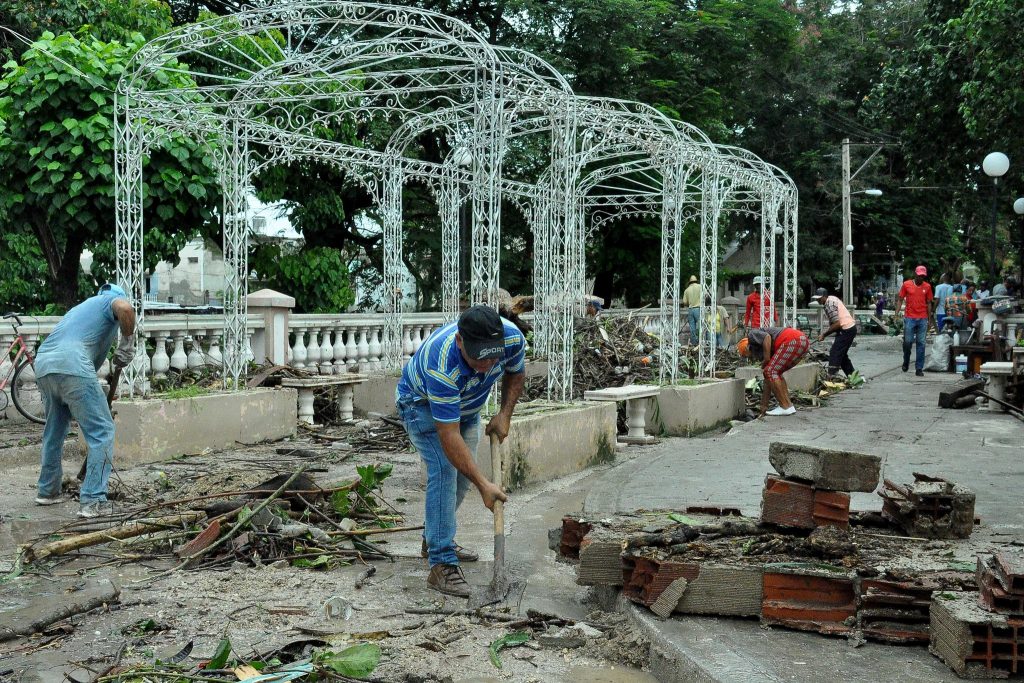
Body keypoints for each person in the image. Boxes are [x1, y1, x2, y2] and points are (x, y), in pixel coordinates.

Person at [396, 304, 525, 597]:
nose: (485, 365)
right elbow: (448, 435)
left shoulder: (512, 339)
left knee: (462, 478)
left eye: (492, 357)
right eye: (478, 357)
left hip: (467, 409)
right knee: (444, 471)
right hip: (421, 406)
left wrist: (505, 414)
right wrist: (485, 486)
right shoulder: (442, 363)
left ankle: (435, 535)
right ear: (460, 341)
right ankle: (441, 564)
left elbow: (516, 374)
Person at [33, 284, 136, 518]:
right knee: (102, 430)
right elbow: (126, 309)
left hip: (45, 365)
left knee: (55, 430)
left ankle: (47, 491)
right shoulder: (109, 301)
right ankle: (93, 500)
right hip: (72, 366)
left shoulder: (81, 310)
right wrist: (127, 343)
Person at [737, 326, 810, 417]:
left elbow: (766, 337)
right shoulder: (769, 348)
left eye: (749, 356)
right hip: (802, 341)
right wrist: (763, 406)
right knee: (774, 373)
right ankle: (789, 406)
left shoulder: (752, 335)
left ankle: (785, 406)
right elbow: (768, 380)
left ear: (748, 348)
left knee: (770, 371)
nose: (753, 358)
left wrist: (767, 359)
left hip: (793, 340)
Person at [894, 265, 935, 377]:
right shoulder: (907, 284)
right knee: (907, 342)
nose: (921, 278)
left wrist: (930, 319)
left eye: (923, 276)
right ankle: (906, 360)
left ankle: (919, 368)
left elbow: (929, 303)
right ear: (915, 274)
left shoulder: (927, 286)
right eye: (919, 275)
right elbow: (900, 299)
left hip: (922, 318)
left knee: (921, 343)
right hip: (910, 317)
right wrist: (896, 314)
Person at [814, 287, 857, 378]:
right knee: (842, 355)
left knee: (835, 352)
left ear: (824, 297)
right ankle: (853, 377)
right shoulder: (832, 299)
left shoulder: (829, 304)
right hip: (849, 328)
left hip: (846, 329)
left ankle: (831, 376)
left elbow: (837, 324)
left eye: (819, 298)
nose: (817, 300)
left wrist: (824, 335)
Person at [682, 275, 702, 345]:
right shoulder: (700, 287)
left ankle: (694, 344)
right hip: (698, 309)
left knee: (692, 328)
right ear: (696, 281)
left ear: (690, 282)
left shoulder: (687, 290)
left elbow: (684, 302)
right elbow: (706, 296)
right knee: (700, 327)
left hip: (690, 310)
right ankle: (701, 343)